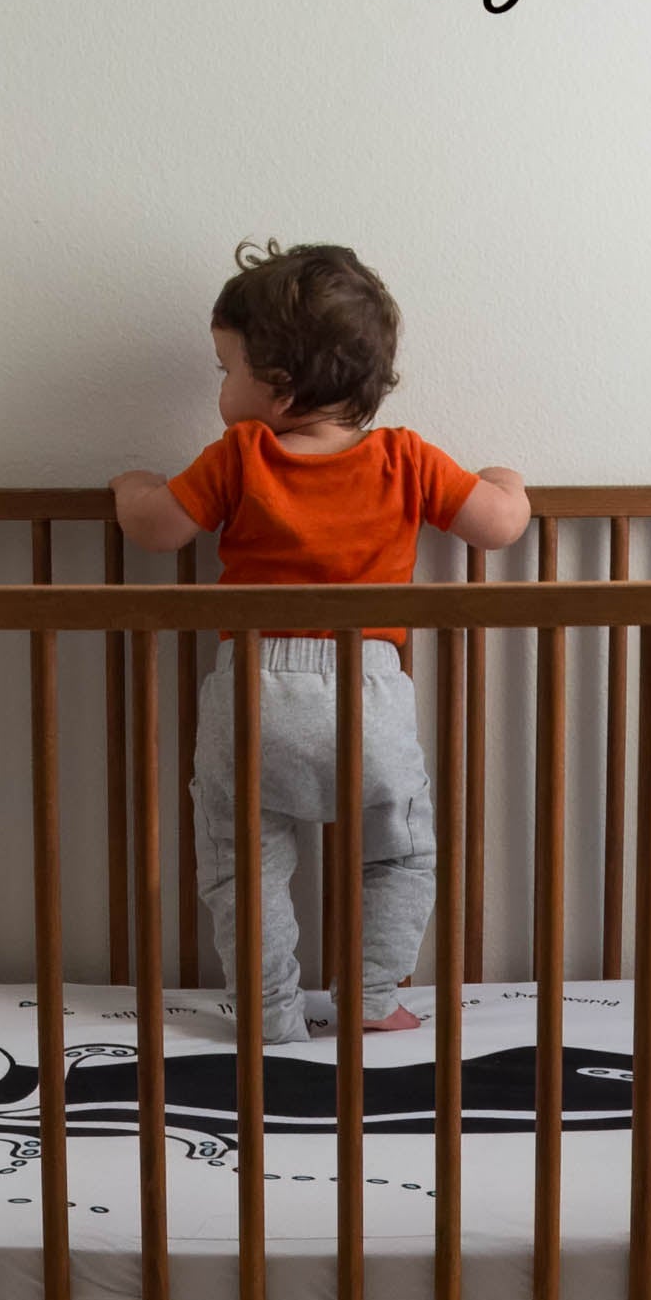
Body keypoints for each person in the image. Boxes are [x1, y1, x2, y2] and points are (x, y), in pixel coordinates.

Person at [111, 239, 529, 1043]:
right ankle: (370, 996)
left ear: (278, 384)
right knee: (399, 855)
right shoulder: (406, 459)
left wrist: (132, 487)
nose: (220, 388)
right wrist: (506, 481)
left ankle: (269, 1011)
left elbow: (157, 529)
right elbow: (500, 525)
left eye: (225, 369)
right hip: (368, 695)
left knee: (244, 867)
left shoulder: (242, 456)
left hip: (252, 691)